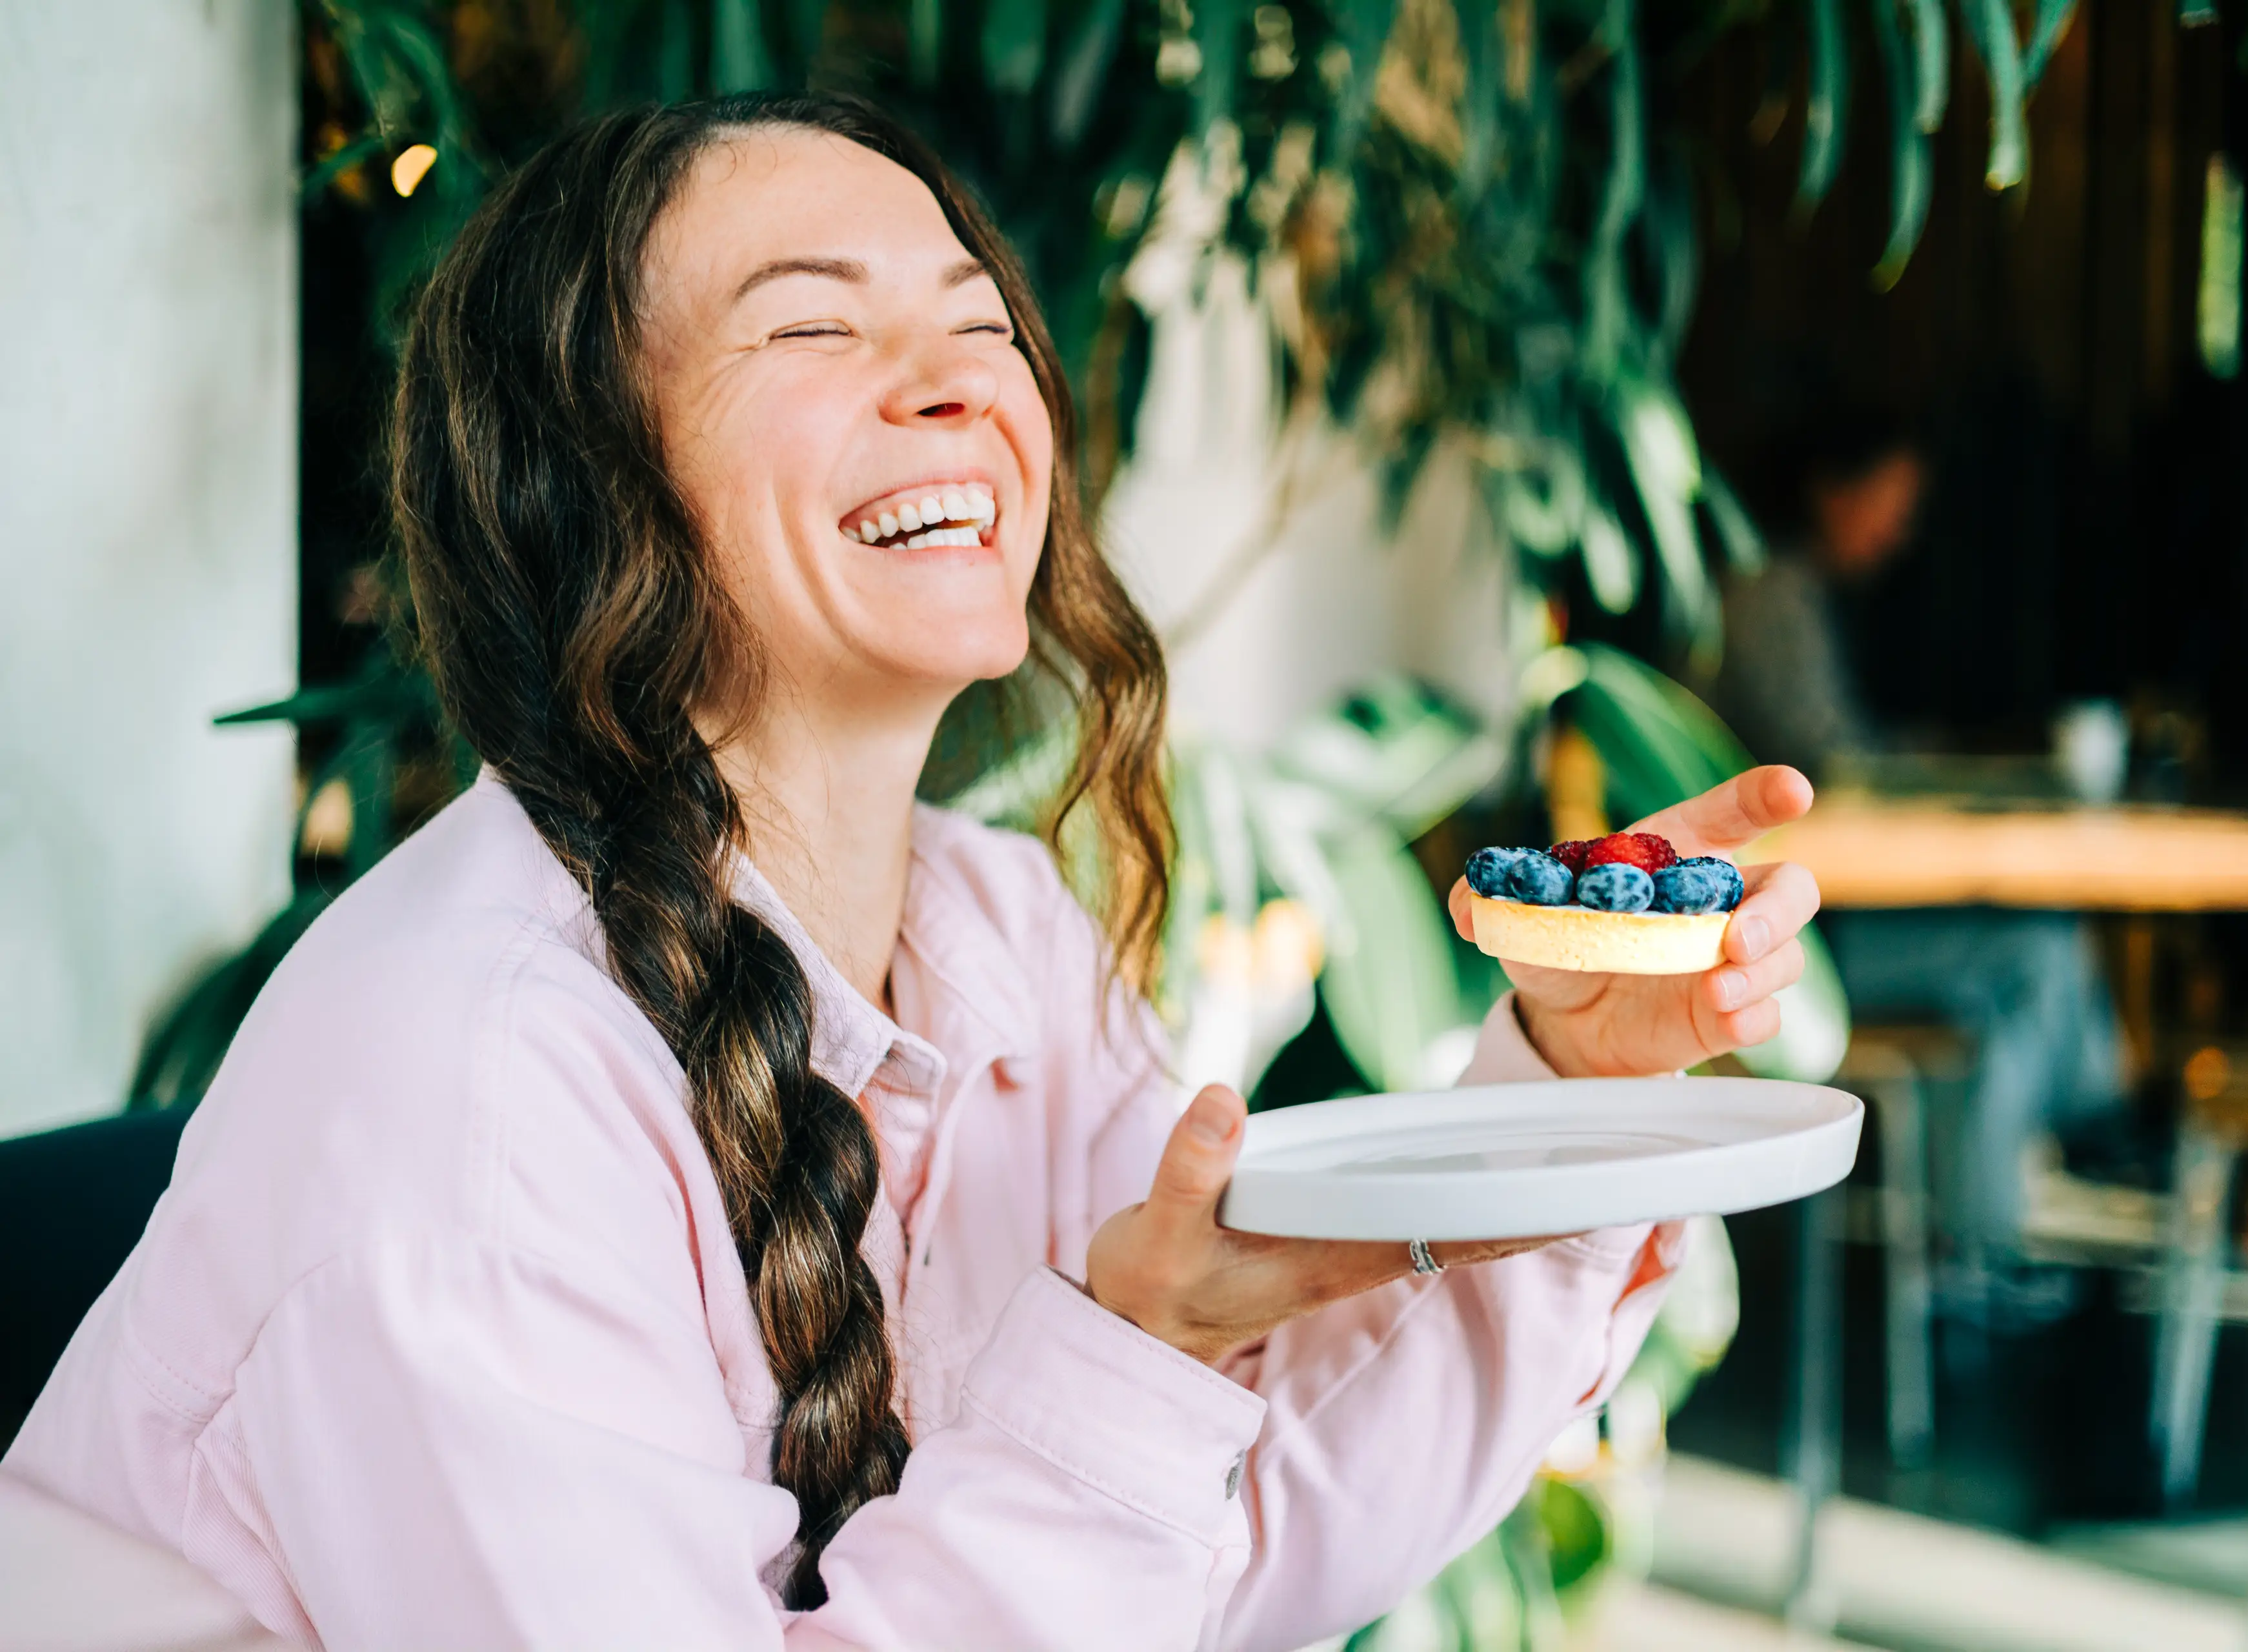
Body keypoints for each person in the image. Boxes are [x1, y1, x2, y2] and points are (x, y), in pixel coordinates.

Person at [1, 95, 1822, 1649]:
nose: (960, 385)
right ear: (589, 483)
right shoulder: (474, 1080)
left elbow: (1221, 1552)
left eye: (979, 323)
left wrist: (1565, 1091)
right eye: (812, 332)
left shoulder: (999, 941)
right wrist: (1135, 1350)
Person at [1711, 407, 2127, 1285]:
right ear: (1831, 490)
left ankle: (1978, 1252)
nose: (1900, 531)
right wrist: (1961, 768)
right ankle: (2090, 1145)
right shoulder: (1769, 600)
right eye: (1889, 504)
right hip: (1783, 942)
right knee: (2037, 957)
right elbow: (1833, 764)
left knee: (1998, 1006)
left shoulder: (1794, 594)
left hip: (1802, 920)